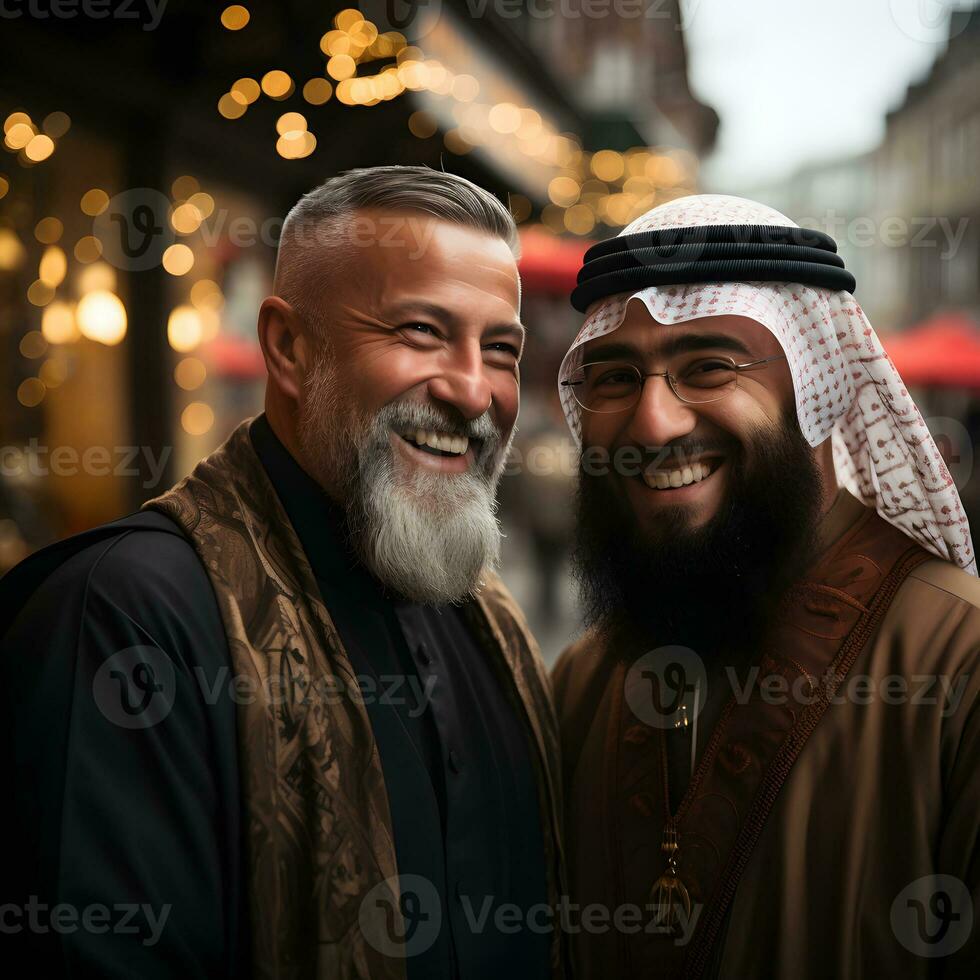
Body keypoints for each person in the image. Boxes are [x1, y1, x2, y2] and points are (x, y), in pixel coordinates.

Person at [0, 167, 564, 979]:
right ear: (290, 348)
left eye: (501, 349)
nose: (473, 390)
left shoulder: (488, 618)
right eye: (420, 333)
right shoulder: (124, 614)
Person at [551, 194, 980, 979]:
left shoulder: (958, 661)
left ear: (815, 384)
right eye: (613, 376)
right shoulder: (581, 679)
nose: (653, 423)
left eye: (708, 367)